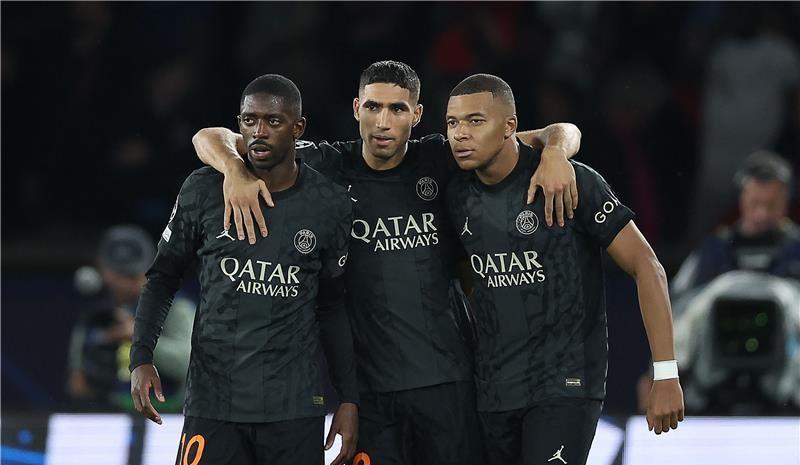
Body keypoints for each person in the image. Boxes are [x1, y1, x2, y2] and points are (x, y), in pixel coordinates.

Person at [191, 60, 582, 465]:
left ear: (417, 114)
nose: (382, 122)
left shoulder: (440, 157)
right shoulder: (325, 166)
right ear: (356, 108)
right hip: (371, 396)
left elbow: (560, 131)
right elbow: (209, 137)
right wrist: (233, 169)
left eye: (397, 109)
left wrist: (555, 153)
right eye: (373, 107)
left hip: (449, 385)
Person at [443, 74, 684, 465]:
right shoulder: (454, 191)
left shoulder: (567, 181)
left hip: (564, 385)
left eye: (475, 120)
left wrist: (666, 372)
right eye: (452, 122)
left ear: (510, 127)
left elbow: (647, 266)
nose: (460, 133)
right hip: (491, 391)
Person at [129, 74, 358, 465]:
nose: (259, 132)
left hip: (293, 408)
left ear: (298, 128)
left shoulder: (329, 205)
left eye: (273, 121)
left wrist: (349, 397)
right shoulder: (204, 189)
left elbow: (333, 306)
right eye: (250, 121)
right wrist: (141, 356)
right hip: (213, 403)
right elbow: (163, 277)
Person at [68, 225, 194, 410]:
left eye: (133, 276)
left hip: (165, 413)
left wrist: (138, 336)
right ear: (104, 271)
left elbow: (188, 365)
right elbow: (77, 383)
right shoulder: (98, 314)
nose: (125, 283)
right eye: (120, 275)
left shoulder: (175, 308)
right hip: (109, 413)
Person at [672, 150, 800, 304]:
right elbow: (681, 302)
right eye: (755, 203)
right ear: (741, 197)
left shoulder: (796, 249)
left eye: (772, 205)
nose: (762, 214)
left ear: (787, 200)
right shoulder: (714, 249)